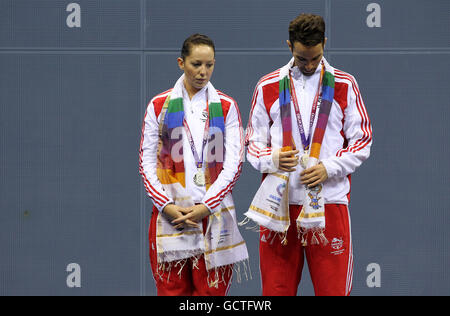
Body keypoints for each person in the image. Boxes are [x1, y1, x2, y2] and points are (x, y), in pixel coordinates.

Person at [244, 13, 372, 296]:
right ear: (289, 46)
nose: (310, 65)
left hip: (329, 203)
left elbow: (363, 141)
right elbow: (251, 145)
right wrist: (273, 158)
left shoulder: (344, 84)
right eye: (302, 58)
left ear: (324, 44)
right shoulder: (267, 86)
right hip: (280, 206)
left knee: (333, 292)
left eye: (315, 57)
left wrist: (329, 167)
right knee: (275, 292)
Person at [139, 34, 249, 296]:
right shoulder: (158, 105)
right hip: (170, 217)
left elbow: (234, 164)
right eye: (196, 64)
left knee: (211, 296)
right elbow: (146, 163)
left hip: (213, 215)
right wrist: (166, 205)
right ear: (181, 63)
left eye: (209, 65)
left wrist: (207, 206)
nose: (203, 72)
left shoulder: (226, 106)